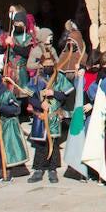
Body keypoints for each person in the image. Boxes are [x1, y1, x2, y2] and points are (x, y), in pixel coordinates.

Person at [26, 49, 73, 185]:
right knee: (40, 144)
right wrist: (40, 104)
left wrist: (54, 93)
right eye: (45, 64)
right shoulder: (35, 79)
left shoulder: (59, 77)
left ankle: (52, 169)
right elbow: (31, 97)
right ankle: (39, 169)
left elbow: (65, 95)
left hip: (53, 116)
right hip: (40, 116)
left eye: (50, 64)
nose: (48, 67)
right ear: (41, 65)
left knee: (53, 143)